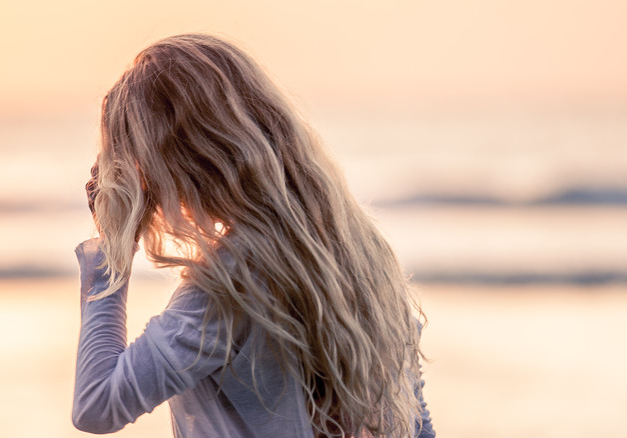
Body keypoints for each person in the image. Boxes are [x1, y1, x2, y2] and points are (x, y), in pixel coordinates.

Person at [72, 33, 435, 438]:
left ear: (178, 158)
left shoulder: (229, 284)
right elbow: (417, 426)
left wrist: (113, 252)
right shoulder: (362, 250)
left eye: (139, 162)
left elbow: (97, 407)